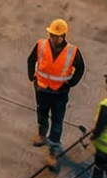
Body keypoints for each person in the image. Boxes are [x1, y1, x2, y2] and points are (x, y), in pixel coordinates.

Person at [31, 19, 84, 151]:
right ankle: (42, 135)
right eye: (52, 35)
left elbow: (81, 68)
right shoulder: (41, 45)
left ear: (63, 36)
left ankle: (53, 149)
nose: (54, 38)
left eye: (57, 36)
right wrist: (31, 76)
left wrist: (72, 82)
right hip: (42, 89)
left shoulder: (72, 51)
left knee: (57, 120)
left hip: (60, 93)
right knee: (41, 115)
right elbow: (31, 60)